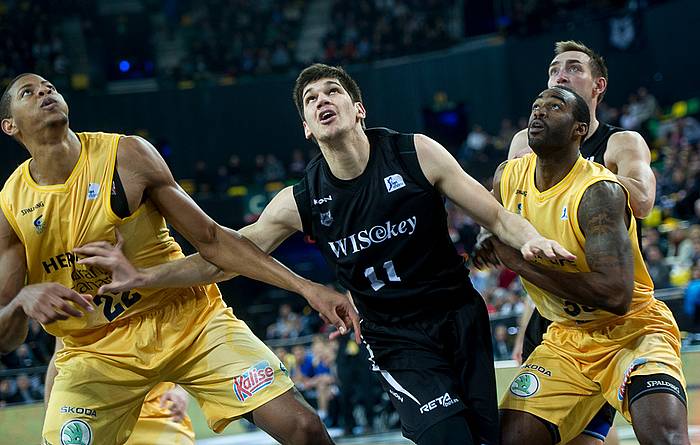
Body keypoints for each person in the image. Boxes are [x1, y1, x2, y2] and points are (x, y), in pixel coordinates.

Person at [73, 63, 575, 445]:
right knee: (448, 437)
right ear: (307, 128)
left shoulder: (416, 153)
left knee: (488, 438)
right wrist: (141, 275)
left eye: (333, 91)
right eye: (310, 100)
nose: (321, 100)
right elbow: (220, 261)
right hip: (394, 335)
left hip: (459, 315)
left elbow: (496, 216)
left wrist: (528, 236)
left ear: (358, 109)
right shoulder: (299, 199)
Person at [0, 73, 361, 444]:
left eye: (50, 87)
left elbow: (213, 240)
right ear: (10, 125)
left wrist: (306, 288)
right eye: (29, 92)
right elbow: (5, 337)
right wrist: (21, 303)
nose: (45, 92)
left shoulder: (125, 156)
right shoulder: (10, 207)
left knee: (304, 428)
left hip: (187, 319)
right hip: (96, 350)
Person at [476, 86, 688, 445]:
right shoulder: (508, 176)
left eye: (554, 107)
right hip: (566, 338)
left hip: (632, 331)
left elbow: (615, 295)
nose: (539, 112)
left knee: (665, 438)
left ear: (579, 129)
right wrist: (486, 240)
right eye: (536, 106)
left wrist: (517, 261)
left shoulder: (598, 192)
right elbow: (493, 222)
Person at [507, 40, 656, 445]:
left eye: (573, 68)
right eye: (554, 69)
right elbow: (520, 231)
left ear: (598, 86)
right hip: (550, 310)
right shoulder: (524, 144)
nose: (560, 75)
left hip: (606, 310)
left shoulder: (620, 142)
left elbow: (642, 201)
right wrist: (525, 329)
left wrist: (570, 169)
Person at [45, 338, 196, 445]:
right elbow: (60, 356)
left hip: (156, 412)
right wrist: (50, 420)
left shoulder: (161, 296)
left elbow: (183, 348)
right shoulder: (74, 300)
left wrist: (180, 389)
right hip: (93, 411)